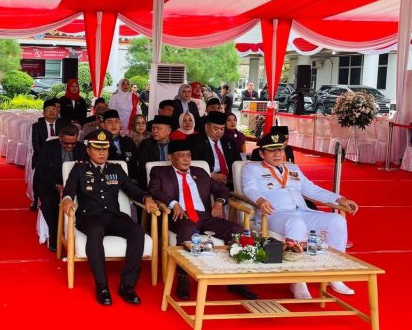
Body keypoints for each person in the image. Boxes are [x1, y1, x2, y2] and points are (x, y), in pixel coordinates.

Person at [241, 132, 360, 300]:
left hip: (302, 212)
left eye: (280, 150)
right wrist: (260, 200)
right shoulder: (251, 169)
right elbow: (249, 189)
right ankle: (298, 280)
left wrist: (339, 199)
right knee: (296, 223)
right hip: (275, 215)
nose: (277, 154)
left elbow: (311, 189)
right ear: (262, 153)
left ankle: (334, 273)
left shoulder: (293, 169)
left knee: (337, 220)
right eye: (272, 150)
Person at [147, 139, 255, 300]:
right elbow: (153, 190)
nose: (186, 159)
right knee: (188, 229)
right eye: (181, 155)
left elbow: (222, 189)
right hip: (180, 216)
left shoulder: (200, 172)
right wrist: (173, 203)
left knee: (236, 230)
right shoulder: (160, 172)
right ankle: (183, 278)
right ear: (171, 157)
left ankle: (236, 279)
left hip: (205, 216)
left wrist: (219, 202)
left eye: (188, 155)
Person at [62, 129, 159, 306]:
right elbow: (69, 190)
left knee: (137, 232)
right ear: (88, 150)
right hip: (89, 217)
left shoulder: (116, 169)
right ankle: (102, 286)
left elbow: (132, 189)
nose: (101, 153)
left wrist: (146, 198)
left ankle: (127, 285)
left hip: (114, 216)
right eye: (97, 149)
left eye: (105, 149)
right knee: (96, 232)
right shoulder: (79, 169)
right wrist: (67, 200)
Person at [34, 124, 86, 252]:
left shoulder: (83, 149)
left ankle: (79, 238)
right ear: (59, 138)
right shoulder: (48, 147)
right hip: (51, 185)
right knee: (50, 204)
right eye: (65, 143)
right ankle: (55, 236)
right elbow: (41, 172)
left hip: (76, 186)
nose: (69, 146)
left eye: (73, 143)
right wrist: (57, 186)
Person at [189, 111, 242, 189]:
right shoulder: (195, 141)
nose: (219, 132)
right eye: (216, 129)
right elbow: (192, 165)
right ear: (206, 127)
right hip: (207, 181)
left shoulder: (229, 141)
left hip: (230, 181)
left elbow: (238, 161)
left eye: (222, 129)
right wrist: (210, 175)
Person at [30, 99, 66, 209]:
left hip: (60, 156)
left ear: (57, 112)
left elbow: (66, 143)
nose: (51, 112)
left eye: (54, 109)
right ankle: (36, 199)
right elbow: (36, 146)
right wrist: (47, 159)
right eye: (48, 110)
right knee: (40, 172)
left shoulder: (63, 125)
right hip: (42, 157)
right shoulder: (37, 126)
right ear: (43, 113)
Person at [135, 116, 172, 183]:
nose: (155, 131)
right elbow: (143, 167)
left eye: (158, 128)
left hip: (172, 179)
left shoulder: (175, 144)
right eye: (153, 128)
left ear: (168, 131)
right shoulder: (146, 144)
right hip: (152, 179)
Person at [101, 109, 137, 178]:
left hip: (128, 180)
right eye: (110, 122)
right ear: (103, 125)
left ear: (120, 125)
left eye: (117, 121)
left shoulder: (129, 141)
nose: (114, 125)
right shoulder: (99, 143)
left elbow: (134, 165)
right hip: (107, 180)